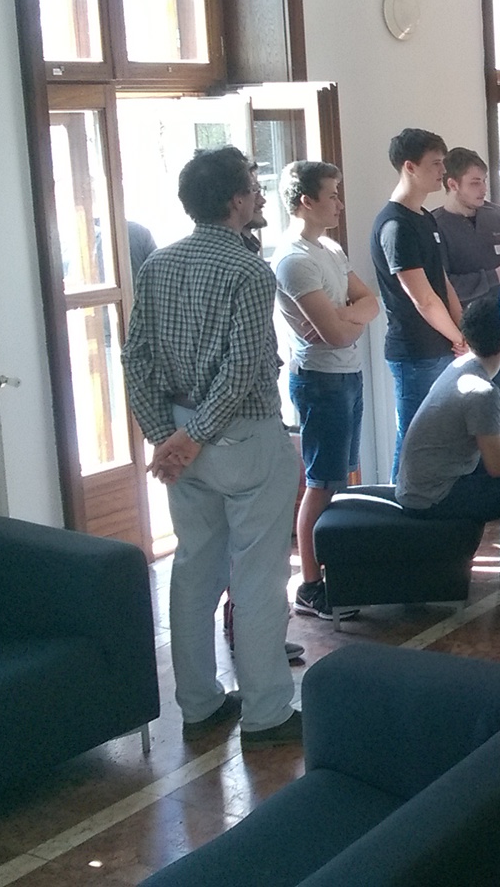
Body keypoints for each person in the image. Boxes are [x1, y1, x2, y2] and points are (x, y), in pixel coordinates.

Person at [123, 146, 303, 747]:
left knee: (194, 570)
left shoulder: (158, 266)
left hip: (182, 432)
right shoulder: (250, 271)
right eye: (252, 185)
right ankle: (267, 712)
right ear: (234, 200)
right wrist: (189, 438)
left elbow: (136, 359)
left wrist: (164, 435)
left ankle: (199, 703)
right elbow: (241, 369)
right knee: (256, 578)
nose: (258, 193)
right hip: (242, 436)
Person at [273, 160, 381, 620]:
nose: (339, 203)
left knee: (339, 479)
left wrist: (346, 316)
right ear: (306, 201)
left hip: (346, 375)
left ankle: (335, 568)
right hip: (320, 380)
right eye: (332, 194)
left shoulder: (330, 249)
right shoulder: (294, 259)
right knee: (321, 484)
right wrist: (346, 320)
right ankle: (311, 584)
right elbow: (333, 334)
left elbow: (370, 301)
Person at [397, 297, 500, 608]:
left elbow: (493, 441)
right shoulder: (482, 391)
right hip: (435, 496)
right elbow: (498, 464)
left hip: (420, 486)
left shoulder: (460, 366)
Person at [371, 128, 467, 480]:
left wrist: (462, 332)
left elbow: (440, 281)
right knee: (413, 437)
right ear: (409, 167)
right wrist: (458, 339)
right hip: (415, 352)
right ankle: (398, 517)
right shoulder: (395, 225)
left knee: (439, 438)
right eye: (436, 163)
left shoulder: (424, 217)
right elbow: (423, 298)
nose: (443, 170)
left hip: (441, 346)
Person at [432, 147, 500, 308]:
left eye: (484, 181)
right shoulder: (434, 226)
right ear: (453, 184)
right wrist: (493, 277)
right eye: (475, 183)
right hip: (463, 322)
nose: (483, 189)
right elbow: (441, 286)